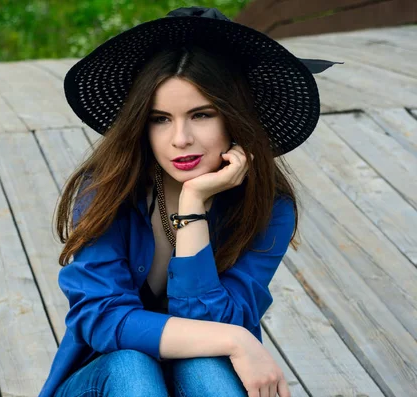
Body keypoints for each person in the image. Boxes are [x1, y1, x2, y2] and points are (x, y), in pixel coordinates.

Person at [40, 6, 342, 397]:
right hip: (105, 381)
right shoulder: (107, 190)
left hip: (201, 375)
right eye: (160, 118)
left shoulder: (270, 208)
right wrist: (238, 342)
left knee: (208, 369)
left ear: (235, 118)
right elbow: (102, 320)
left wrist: (193, 204)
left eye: (201, 115)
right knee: (134, 366)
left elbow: (215, 319)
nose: (179, 138)